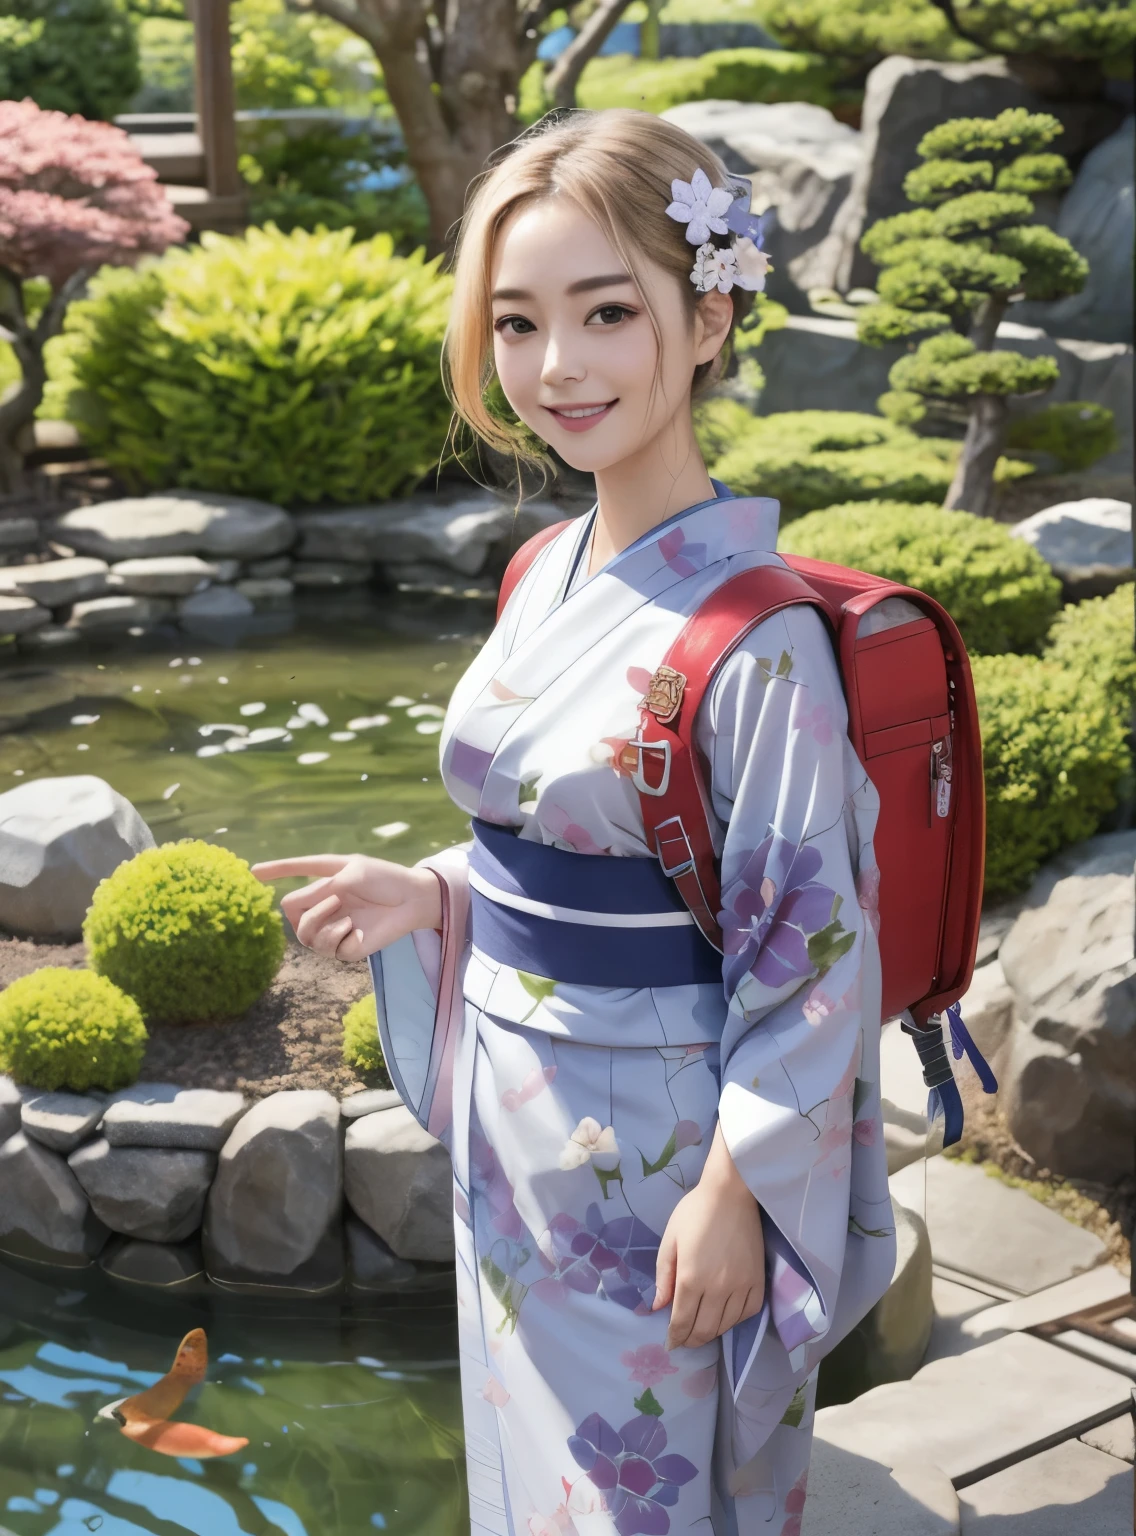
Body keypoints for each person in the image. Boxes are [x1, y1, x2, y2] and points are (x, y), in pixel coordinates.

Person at [253, 108, 895, 1536]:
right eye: (520, 320)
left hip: (666, 1151)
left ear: (711, 311)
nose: (558, 367)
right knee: (530, 1462)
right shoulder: (546, 563)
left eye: (609, 312)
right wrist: (433, 891)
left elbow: (808, 949)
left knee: (643, 1496)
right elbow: (564, 828)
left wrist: (740, 1190)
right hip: (520, 1120)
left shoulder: (760, 639)